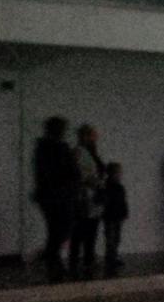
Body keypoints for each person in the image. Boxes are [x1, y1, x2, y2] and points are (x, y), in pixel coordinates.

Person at [32, 116, 81, 282]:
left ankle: (52, 259)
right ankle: (52, 259)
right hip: (58, 195)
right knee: (61, 228)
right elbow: (67, 171)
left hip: (53, 195)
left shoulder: (44, 148)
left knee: (57, 229)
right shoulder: (56, 148)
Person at [69, 124, 105, 276]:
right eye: (93, 135)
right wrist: (94, 182)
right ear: (85, 136)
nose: (95, 138)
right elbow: (80, 174)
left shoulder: (91, 153)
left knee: (91, 230)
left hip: (93, 198)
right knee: (81, 231)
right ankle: (78, 261)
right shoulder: (79, 152)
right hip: (84, 198)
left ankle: (88, 259)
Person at [100, 162, 128, 274]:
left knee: (115, 238)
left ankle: (112, 257)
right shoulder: (108, 187)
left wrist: (124, 212)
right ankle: (110, 257)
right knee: (111, 237)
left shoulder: (118, 187)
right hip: (110, 216)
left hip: (116, 215)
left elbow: (123, 202)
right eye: (117, 173)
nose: (119, 175)